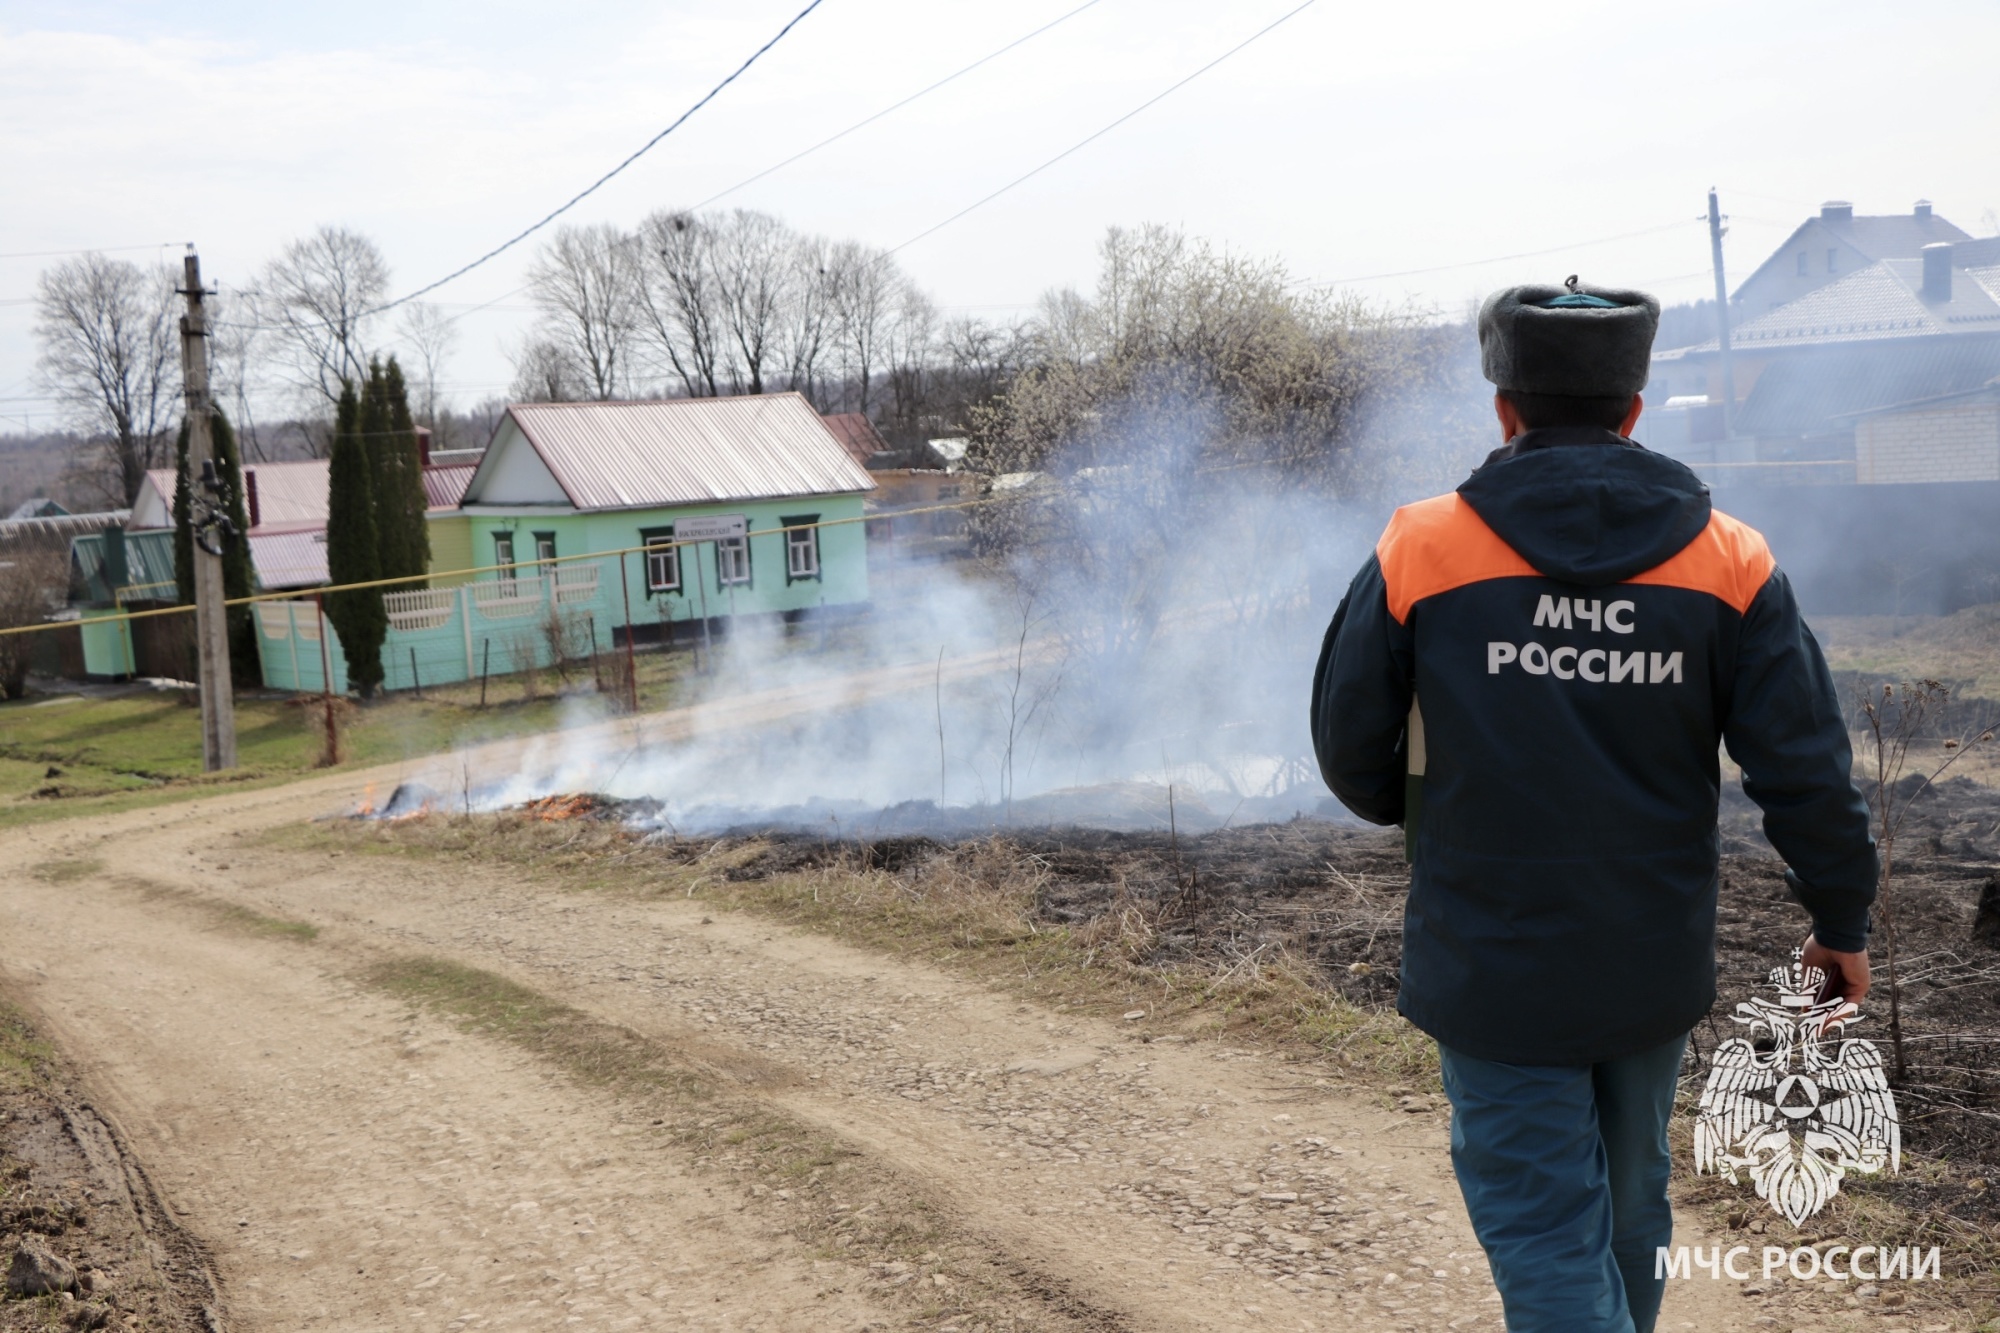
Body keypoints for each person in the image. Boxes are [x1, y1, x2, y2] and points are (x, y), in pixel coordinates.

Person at [1309, 281, 1878, 1333]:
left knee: (1541, 1231)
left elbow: (1350, 752)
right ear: (1633, 406)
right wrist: (1839, 919)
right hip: (1647, 958)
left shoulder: (1420, 548)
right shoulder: (1728, 559)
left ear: (1502, 407)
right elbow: (1802, 770)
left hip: (1489, 952)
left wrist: (1442, 813)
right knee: (1626, 1206)